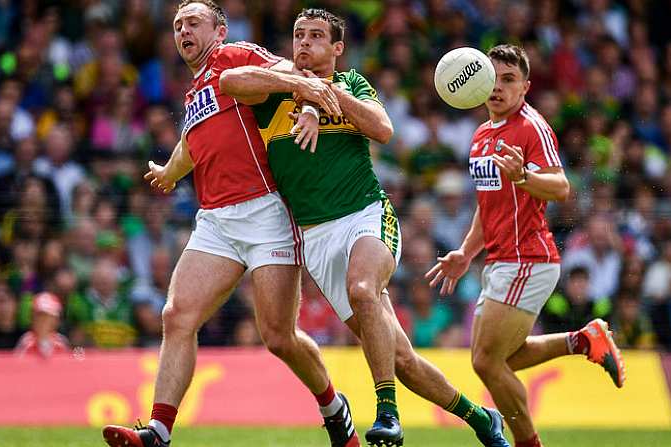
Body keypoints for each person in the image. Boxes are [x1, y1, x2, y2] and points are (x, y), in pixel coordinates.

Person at [219, 9, 509, 447]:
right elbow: (230, 83)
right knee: (402, 359)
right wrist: (299, 85)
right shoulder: (273, 89)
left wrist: (326, 94)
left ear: (337, 48)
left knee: (361, 288)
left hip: (364, 215)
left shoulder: (352, 83)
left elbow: (383, 128)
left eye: (316, 36)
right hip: (316, 238)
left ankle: (387, 413)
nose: (304, 44)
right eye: (298, 35)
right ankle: (482, 419)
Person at [102, 2, 356, 447]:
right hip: (216, 219)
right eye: (178, 25)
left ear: (219, 30)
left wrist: (307, 97)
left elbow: (300, 75)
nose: (184, 30)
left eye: (194, 23)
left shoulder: (235, 54)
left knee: (278, 337)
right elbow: (192, 142)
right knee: (177, 315)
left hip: (266, 212)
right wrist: (169, 170)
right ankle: (158, 432)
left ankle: (335, 409)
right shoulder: (196, 86)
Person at [426, 44, 626, 447]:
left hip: (527, 258)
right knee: (506, 359)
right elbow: (487, 204)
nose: (498, 87)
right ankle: (583, 340)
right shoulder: (482, 135)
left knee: (485, 361)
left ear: (526, 87)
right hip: (500, 261)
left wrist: (523, 178)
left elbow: (561, 186)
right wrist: (466, 253)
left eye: (509, 79)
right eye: (492, 78)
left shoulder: (531, 126)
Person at [15, 291, 70, 357]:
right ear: (32, 318)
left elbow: (67, 364)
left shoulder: (61, 342)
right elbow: (18, 365)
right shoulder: (25, 341)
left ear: (56, 320)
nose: (43, 321)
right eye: (39, 315)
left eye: (48, 316)